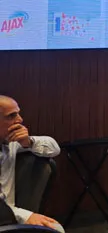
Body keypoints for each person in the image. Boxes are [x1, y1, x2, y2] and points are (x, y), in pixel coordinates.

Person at [0, 95, 63, 232]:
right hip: (5, 217)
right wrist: (26, 216)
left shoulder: (11, 142)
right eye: (12, 116)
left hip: (11, 214)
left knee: (56, 228)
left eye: (18, 113)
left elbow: (54, 148)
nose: (20, 119)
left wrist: (28, 142)